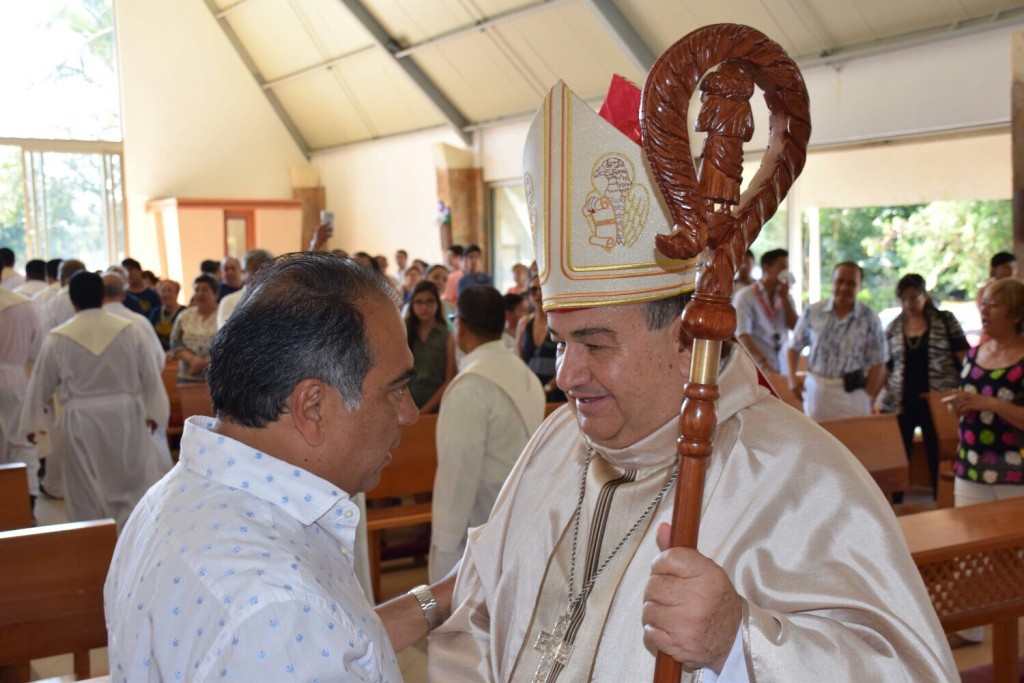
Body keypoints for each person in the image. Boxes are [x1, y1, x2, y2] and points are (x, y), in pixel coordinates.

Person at [428, 78, 955, 681]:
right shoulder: (554, 447)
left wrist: (739, 644)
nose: (567, 375)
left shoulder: (797, 476)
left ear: (686, 340)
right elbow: (474, 616)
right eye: (558, 341)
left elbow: (908, 670)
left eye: (595, 344)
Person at [105, 253, 455, 681]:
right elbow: (295, 628)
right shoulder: (275, 608)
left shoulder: (181, 495)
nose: (410, 414)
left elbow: (338, 639)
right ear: (313, 407)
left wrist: (446, 597)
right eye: (396, 390)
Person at [19, 271, 168, 529]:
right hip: (126, 417)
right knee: (129, 484)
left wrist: (32, 425)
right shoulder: (130, 330)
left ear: (72, 301)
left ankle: (93, 545)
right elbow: (150, 377)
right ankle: (130, 541)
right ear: (102, 296)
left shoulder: (58, 337)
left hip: (80, 422)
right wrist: (156, 413)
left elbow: (39, 386)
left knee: (84, 489)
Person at [430, 286, 545, 581]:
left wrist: (442, 560)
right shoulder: (525, 375)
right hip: (524, 526)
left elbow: (455, 484)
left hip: (480, 537)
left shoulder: (469, 386)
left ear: (461, 325)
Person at [945, 277, 1024, 646]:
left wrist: (987, 403)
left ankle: (1013, 632)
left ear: (1016, 313)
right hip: (972, 466)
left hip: (1015, 472)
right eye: (984, 302)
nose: (984, 309)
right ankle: (969, 629)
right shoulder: (977, 352)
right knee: (969, 551)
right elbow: (973, 396)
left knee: (1015, 556)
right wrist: (960, 404)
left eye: (993, 303)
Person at [879, 274, 969, 497]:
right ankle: (897, 501)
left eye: (914, 297)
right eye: (905, 299)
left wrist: (968, 388)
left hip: (938, 398)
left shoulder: (945, 320)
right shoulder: (894, 327)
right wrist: (873, 397)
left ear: (924, 296)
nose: (910, 303)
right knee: (898, 452)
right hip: (902, 399)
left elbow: (963, 356)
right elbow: (887, 366)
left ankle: (942, 497)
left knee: (937, 450)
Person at [787, 262, 887, 420]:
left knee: (853, 442)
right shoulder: (813, 312)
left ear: (859, 286)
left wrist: (867, 395)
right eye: (840, 281)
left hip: (853, 393)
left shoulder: (870, 318)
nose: (844, 288)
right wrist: (792, 379)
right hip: (817, 390)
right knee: (817, 441)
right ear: (832, 282)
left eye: (851, 283)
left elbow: (879, 361)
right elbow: (793, 348)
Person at [0, 287, 43, 508]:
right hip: (14, 378)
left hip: (13, 372)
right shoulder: (24, 304)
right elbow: (38, 350)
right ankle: (28, 501)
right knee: (21, 441)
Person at [733, 248, 797, 373]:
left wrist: (784, 298)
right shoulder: (745, 296)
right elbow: (742, 334)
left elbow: (795, 326)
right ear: (767, 268)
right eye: (782, 268)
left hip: (782, 365)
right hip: (756, 367)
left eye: (787, 269)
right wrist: (763, 362)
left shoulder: (786, 297)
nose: (786, 273)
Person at [405, 281, 455, 414]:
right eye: (419, 302)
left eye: (429, 301)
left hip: (437, 404)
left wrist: (426, 409)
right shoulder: (405, 333)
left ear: (437, 304)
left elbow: (449, 379)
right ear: (412, 305)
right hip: (407, 401)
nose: (424, 307)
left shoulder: (447, 336)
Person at [516, 276, 564, 402]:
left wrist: (548, 388)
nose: (537, 294)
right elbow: (519, 359)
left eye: (541, 289)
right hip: (530, 387)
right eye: (533, 289)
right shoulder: (524, 323)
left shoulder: (560, 321)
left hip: (558, 388)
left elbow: (566, 358)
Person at [170, 273, 219, 383]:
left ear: (215, 294)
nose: (200, 293)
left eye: (205, 290)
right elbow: (175, 342)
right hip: (187, 376)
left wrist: (205, 362)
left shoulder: (224, 315)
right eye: (197, 290)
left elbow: (229, 346)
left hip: (216, 378)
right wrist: (192, 360)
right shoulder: (184, 315)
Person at [217, 248, 274, 328]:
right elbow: (227, 333)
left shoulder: (280, 299)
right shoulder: (229, 301)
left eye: (265, 268)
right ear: (244, 272)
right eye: (255, 268)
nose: (261, 272)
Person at [149, 279, 183, 350]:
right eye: (163, 291)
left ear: (176, 293)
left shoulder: (184, 312)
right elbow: (150, 335)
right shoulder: (155, 312)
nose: (166, 294)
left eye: (169, 290)